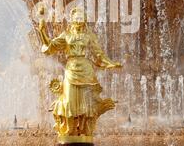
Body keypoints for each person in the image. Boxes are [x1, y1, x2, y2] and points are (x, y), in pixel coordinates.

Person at [37, 7, 122, 136]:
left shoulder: (89, 36)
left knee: (86, 102)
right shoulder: (66, 35)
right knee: (69, 100)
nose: (78, 20)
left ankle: (84, 129)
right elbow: (51, 46)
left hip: (86, 70)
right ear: (71, 20)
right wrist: (42, 31)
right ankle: (68, 130)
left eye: (81, 18)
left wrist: (111, 63)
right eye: (76, 18)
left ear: (84, 20)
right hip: (71, 69)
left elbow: (98, 54)